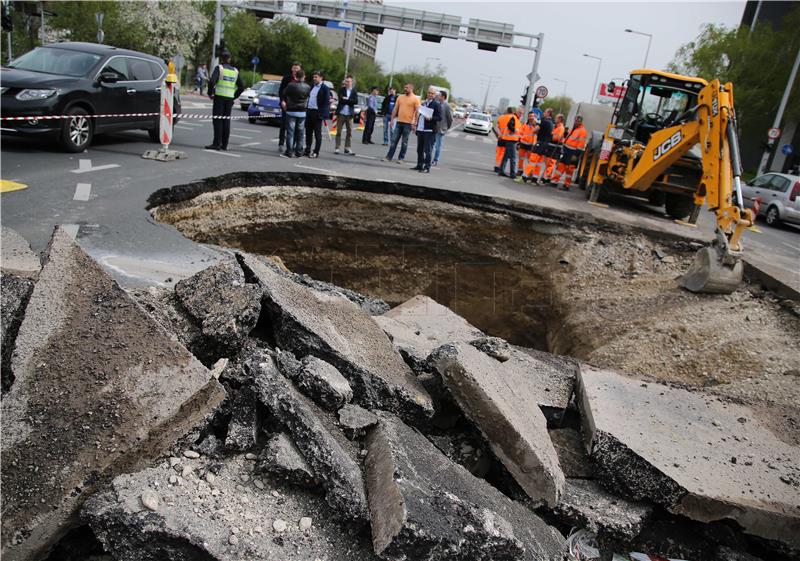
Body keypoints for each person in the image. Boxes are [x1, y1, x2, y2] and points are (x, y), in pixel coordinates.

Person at [206, 51, 244, 151]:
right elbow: (241, 86)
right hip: (229, 99)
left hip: (219, 98)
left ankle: (216, 144)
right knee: (226, 122)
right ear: (229, 59)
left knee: (218, 121)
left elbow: (212, 81)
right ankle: (224, 144)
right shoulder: (235, 71)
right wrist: (234, 96)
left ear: (221, 59)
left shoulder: (219, 68)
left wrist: (210, 93)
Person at [384, 82, 421, 164]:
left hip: (408, 124)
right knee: (394, 140)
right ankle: (388, 157)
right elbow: (395, 109)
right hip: (399, 122)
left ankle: (401, 158)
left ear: (411, 89)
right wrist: (392, 120)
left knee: (404, 142)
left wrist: (415, 123)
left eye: (407, 88)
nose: (405, 89)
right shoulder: (400, 97)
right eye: (405, 87)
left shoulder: (415, 99)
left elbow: (417, 112)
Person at [551, 116, 588, 190]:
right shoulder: (574, 128)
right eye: (576, 121)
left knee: (569, 170)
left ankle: (566, 185)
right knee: (561, 166)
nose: (576, 122)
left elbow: (581, 145)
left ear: (581, 122)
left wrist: (576, 155)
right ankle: (554, 181)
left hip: (573, 152)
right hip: (567, 151)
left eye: (578, 121)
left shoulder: (582, 131)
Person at [281, 69, 311, 158]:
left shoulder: (290, 85)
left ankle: (289, 152)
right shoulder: (307, 87)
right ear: (303, 76)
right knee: (300, 133)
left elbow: (284, 93)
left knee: (290, 132)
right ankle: (299, 152)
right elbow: (308, 97)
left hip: (291, 111)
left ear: (296, 76)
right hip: (302, 112)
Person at [413, 86, 443, 173]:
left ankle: (427, 167)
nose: (430, 95)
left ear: (435, 95)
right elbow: (419, 115)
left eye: (432, 93)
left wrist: (431, 118)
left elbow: (439, 117)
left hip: (429, 130)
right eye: (429, 93)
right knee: (419, 149)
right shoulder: (423, 103)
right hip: (421, 129)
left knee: (427, 150)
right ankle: (419, 165)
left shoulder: (436, 105)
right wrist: (416, 125)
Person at [522, 108, 554, 184]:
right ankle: (535, 178)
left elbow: (534, 130)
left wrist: (535, 124)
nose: (543, 113)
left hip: (540, 143)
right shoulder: (551, 123)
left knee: (533, 160)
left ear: (548, 113)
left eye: (545, 112)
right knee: (539, 162)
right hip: (546, 144)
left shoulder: (544, 121)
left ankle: (524, 177)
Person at [304, 70, 331, 158]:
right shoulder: (312, 86)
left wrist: (322, 115)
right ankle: (307, 149)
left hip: (317, 113)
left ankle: (316, 151)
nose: (314, 78)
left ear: (321, 78)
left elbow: (326, 103)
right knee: (308, 132)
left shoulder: (325, 88)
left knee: (317, 133)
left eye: (316, 77)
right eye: (313, 77)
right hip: (309, 111)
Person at [279, 62, 302, 152]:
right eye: (294, 68)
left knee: (295, 127)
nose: (295, 70)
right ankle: (281, 142)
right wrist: (282, 101)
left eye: (297, 68)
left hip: (297, 106)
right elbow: (281, 90)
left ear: (300, 70)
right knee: (284, 124)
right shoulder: (286, 78)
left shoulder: (301, 79)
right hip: (286, 104)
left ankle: (293, 145)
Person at [335, 75, 358, 154]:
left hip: (349, 114)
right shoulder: (341, 90)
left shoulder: (354, 91)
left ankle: (347, 148)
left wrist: (347, 99)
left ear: (352, 82)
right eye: (346, 81)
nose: (347, 83)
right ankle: (337, 147)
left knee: (349, 132)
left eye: (348, 81)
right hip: (341, 113)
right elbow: (341, 100)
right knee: (339, 131)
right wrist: (348, 100)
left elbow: (355, 101)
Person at [496, 107, 521, 177]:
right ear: (516, 112)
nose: (521, 115)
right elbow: (510, 125)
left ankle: (501, 171)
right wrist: (514, 130)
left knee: (506, 156)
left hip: (507, 139)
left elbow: (498, 126)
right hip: (511, 140)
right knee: (513, 157)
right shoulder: (514, 118)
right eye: (520, 113)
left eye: (522, 113)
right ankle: (512, 174)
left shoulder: (515, 119)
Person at [432, 90, 453, 166]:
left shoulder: (447, 106)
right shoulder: (436, 104)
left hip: (441, 129)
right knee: (431, 144)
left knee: (438, 145)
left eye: (439, 95)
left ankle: (435, 159)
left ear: (443, 97)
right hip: (434, 127)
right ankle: (428, 159)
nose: (438, 96)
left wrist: (446, 128)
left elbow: (450, 118)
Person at [544, 113, 566, 181]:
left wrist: (549, 137)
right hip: (551, 147)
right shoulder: (556, 127)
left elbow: (558, 138)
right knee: (548, 162)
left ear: (560, 119)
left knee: (551, 163)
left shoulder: (561, 128)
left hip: (555, 148)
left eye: (556, 118)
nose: (555, 119)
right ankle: (548, 177)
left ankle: (545, 177)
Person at [517, 111, 537, 176]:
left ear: (534, 117)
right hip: (523, 143)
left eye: (532, 116)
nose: (531, 117)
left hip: (531, 145)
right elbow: (520, 133)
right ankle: (520, 171)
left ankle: (530, 173)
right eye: (530, 116)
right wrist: (519, 141)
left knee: (530, 160)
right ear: (528, 117)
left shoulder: (537, 126)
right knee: (521, 158)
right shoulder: (525, 125)